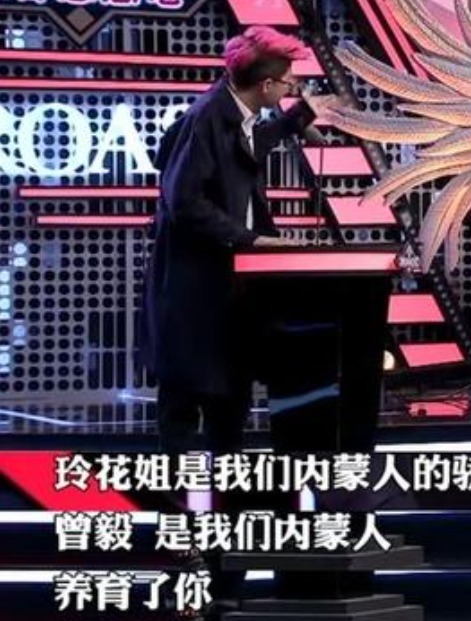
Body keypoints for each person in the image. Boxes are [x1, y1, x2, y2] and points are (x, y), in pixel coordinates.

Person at [140, 27, 321, 619]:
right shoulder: (205, 120)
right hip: (193, 303)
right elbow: (184, 202)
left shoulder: (235, 116)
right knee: (182, 440)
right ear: (265, 84)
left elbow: (249, 149)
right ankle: (184, 569)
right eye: (287, 83)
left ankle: (222, 573)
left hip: (227, 304)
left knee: (227, 434)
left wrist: (298, 120)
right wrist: (250, 239)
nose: (290, 88)